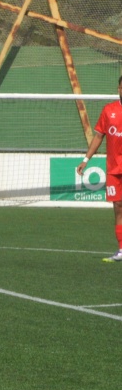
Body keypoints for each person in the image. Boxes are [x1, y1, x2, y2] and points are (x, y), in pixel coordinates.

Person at [77, 75, 122, 263]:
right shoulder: (109, 110)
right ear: (118, 88)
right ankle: (121, 249)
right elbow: (98, 137)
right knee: (118, 208)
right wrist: (86, 159)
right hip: (113, 168)